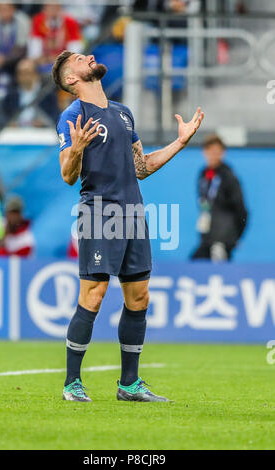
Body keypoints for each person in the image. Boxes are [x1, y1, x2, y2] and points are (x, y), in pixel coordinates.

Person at [52, 50, 204, 402]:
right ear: (71, 79)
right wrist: (76, 150)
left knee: (139, 296)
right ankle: (72, 383)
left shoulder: (123, 113)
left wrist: (180, 142)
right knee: (94, 294)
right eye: (78, 58)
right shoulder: (73, 116)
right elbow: (67, 174)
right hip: (99, 212)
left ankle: (129, 385)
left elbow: (142, 166)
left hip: (133, 212)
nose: (88, 55)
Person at [191, 134, 248, 261]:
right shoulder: (203, 175)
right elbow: (204, 204)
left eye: (217, 152)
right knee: (195, 262)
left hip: (223, 237)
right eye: (210, 151)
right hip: (207, 235)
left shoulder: (229, 177)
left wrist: (235, 237)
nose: (213, 155)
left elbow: (241, 210)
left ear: (223, 153)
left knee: (219, 269)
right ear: (204, 152)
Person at [2, 58, 60, 127]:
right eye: (20, 73)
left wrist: (43, 123)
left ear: (36, 74)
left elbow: (56, 116)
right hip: (16, 133)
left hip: (41, 134)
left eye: (27, 72)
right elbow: (3, 115)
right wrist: (9, 123)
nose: (23, 76)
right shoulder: (11, 96)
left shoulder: (47, 95)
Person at [28, 4, 83, 74]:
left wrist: (60, 59)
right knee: (26, 67)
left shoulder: (70, 21)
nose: (53, 11)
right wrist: (39, 58)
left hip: (64, 60)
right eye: (50, 7)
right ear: (44, 9)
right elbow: (34, 46)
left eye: (55, 7)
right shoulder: (38, 20)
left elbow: (75, 48)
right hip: (43, 59)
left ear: (60, 8)